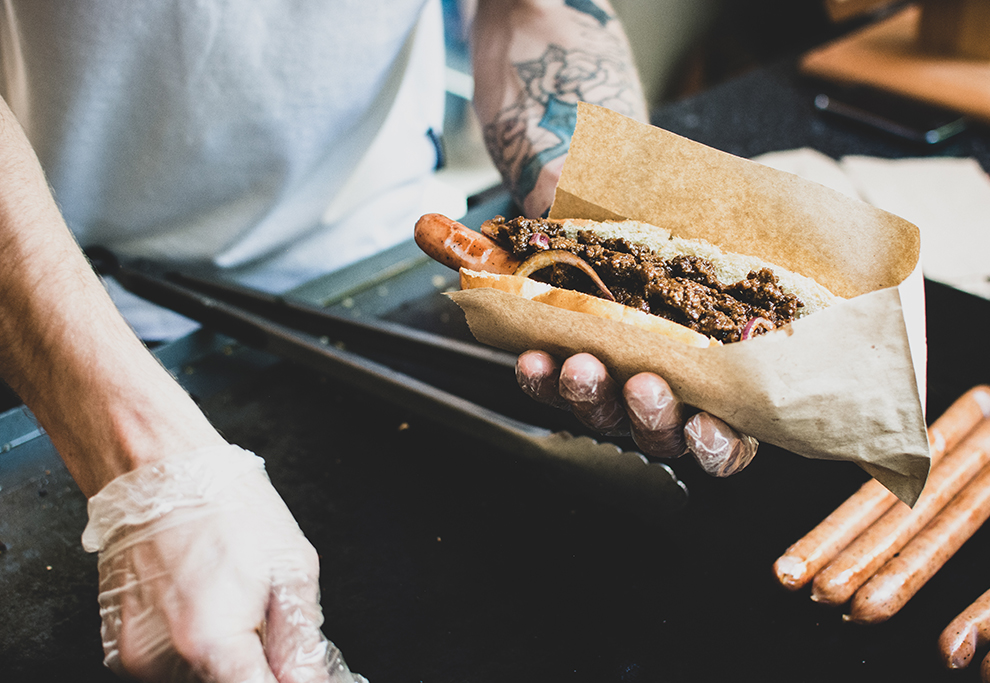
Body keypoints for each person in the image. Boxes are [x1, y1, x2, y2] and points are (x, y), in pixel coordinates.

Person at [0, 1, 755, 680]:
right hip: (59, 290)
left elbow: (536, 10)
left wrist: (606, 247)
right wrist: (145, 468)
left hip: (383, 256)